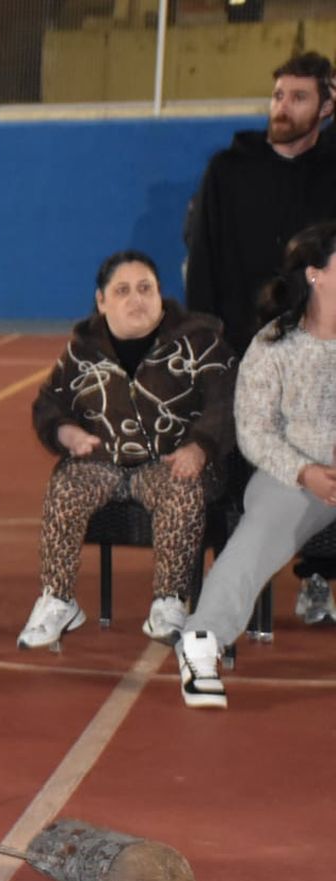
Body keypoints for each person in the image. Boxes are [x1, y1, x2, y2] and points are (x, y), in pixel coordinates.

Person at [185, 51, 336, 625]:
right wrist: (206, 341)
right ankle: (228, 589)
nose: (283, 107)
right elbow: (203, 259)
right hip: (238, 352)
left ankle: (317, 576)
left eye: (299, 97)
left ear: (326, 107)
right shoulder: (228, 170)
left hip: (317, 353)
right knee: (243, 467)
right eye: (278, 95)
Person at [19, 252, 237, 650]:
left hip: (174, 461)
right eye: (122, 291)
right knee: (65, 487)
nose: (136, 299)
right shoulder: (82, 351)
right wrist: (67, 433)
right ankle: (58, 600)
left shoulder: (201, 343)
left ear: (160, 294)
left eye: (145, 288)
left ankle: (170, 602)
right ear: (101, 301)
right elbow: (48, 404)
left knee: (181, 488)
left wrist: (199, 447)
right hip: (104, 461)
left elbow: (225, 403)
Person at [176, 222, 336, 709]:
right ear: (315, 275)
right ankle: (201, 641)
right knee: (263, 526)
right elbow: (254, 433)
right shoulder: (272, 346)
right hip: (293, 478)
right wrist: (305, 472)